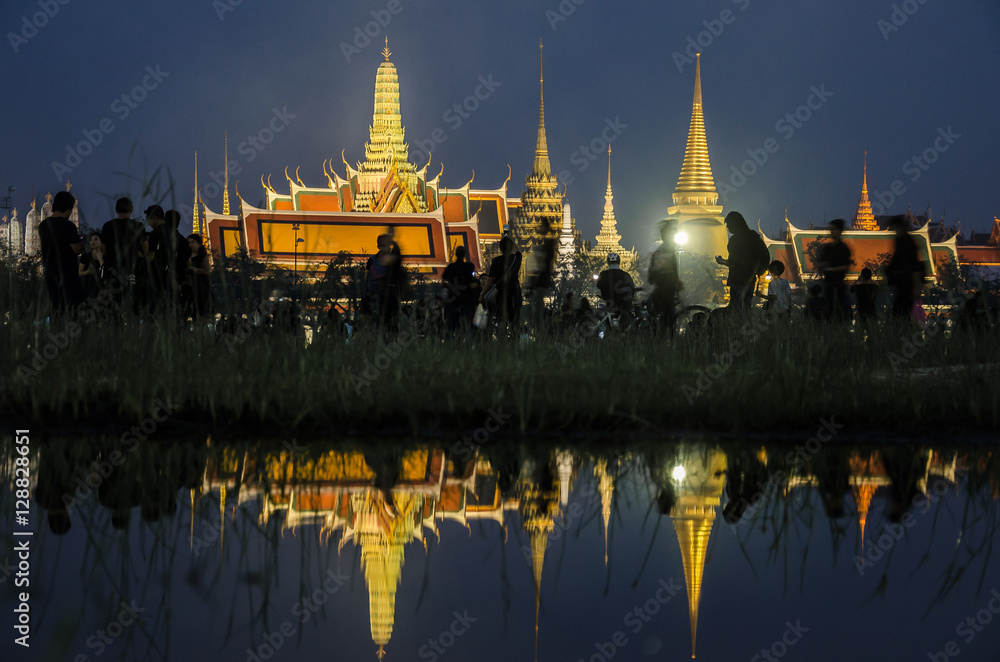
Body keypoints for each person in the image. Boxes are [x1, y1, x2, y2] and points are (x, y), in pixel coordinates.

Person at [38, 191, 85, 313]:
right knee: (73, 309)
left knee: (57, 309)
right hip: (68, 276)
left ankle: (56, 329)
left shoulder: (43, 225)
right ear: (68, 208)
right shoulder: (68, 226)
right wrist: (84, 243)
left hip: (50, 274)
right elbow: (77, 250)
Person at [715, 211, 768, 309]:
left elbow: (732, 262)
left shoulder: (735, 240)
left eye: (729, 226)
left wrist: (721, 261)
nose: (729, 229)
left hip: (738, 279)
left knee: (736, 307)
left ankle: (737, 323)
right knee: (747, 307)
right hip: (751, 279)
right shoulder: (753, 236)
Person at [101, 197, 145, 308]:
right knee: (133, 303)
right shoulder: (138, 226)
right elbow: (144, 250)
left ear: (116, 210)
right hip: (132, 270)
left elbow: (104, 250)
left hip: (113, 270)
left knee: (113, 304)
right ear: (131, 210)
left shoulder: (107, 226)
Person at [885, 216, 926, 320]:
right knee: (898, 311)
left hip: (907, 283)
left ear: (900, 227)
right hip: (899, 283)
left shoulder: (908, 243)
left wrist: (916, 286)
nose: (894, 231)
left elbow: (915, 266)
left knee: (902, 312)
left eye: (895, 228)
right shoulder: (898, 241)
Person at [483, 235, 522, 333]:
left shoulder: (497, 261)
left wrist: (482, 293)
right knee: (515, 319)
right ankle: (514, 339)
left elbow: (490, 280)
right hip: (515, 293)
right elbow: (517, 249)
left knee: (501, 318)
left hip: (502, 294)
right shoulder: (516, 258)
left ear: (500, 248)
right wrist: (510, 240)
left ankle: (502, 339)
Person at [648, 220, 682, 333]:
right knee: (668, 315)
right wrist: (677, 282)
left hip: (660, 286)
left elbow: (651, 274)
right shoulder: (668, 251)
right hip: (666, 287)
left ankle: (658, 334)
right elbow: (673, 270)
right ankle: (667, 338)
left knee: (656, 312)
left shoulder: (659, 251)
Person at [816, 219, 852, 321]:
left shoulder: (843, 248)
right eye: (830, 229)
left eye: (833, 229)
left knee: (841, 312)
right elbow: (820, 264)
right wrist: (822, 265)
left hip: (839, 285)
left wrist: (832, 269)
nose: (831, 232)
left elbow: (846, 266)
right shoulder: (827, 248)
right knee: (828, 312)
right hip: (828, 284)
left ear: (840, 231)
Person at [366, 233, 403, 331]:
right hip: (388, 296)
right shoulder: (391, 259)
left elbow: (367, 278)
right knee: (390, 324)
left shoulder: (372, 260)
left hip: (378, 296)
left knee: (381, 323)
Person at [441, 245, 480, 338]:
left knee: (450, 327)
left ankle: (449, 346)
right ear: (464, 255)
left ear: (455, 254)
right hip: (466, 301)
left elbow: (444, 279)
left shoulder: (451, 267)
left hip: (453, 301)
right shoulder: (468, 267)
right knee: (468, 327)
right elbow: (472, 283)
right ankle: (469, 346)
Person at [596, 252, 636, 329]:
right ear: (619, 261)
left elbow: (598, 286)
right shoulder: (625, 275)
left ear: (608, 262)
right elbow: (632, 288)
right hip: (624, 304)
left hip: (610, 302)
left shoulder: (603, 274)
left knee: (607, 323)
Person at [526, 237, 557, 333]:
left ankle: (540, 330)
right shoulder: (541, 266)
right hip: (539, 290)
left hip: (540, 290)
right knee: (537, 311)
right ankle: (539, 329)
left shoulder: (544, 266)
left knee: (539, 311)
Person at [186, 233, 213, 319]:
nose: (190, 245)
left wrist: (192, 269)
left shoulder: (202, 256)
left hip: (200, 287)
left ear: (198, 244)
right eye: (189, 242)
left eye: (192, 242)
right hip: (188, 286)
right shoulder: (186, 255)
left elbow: (206, 271)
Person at [78, 231, 106, 298]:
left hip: (104, 287)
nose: (93, 242)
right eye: (91, 240)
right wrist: (87, 272)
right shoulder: (86, 256)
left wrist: (100, 258)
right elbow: (79, 272)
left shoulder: (106, 256)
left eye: (96, 239)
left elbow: (106, 271)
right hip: (90, 287)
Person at [850, 267, 879, 331]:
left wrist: (857, 280)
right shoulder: (875, 287)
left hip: (861, 313)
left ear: (861, 276)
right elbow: (878, 289)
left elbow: (851, 289)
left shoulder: (857, 287)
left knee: (859, 334)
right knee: (873, 333)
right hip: (872, 313)